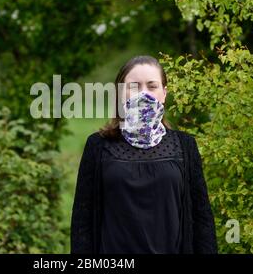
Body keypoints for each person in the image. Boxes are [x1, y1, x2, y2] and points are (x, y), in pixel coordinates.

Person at [70, 55, 218, 254]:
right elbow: (82, 222)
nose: (143, 94)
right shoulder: (98, 146)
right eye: (134, 86)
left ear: (164, 93)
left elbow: (202, 221)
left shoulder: (184, 146)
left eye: (152, 86)